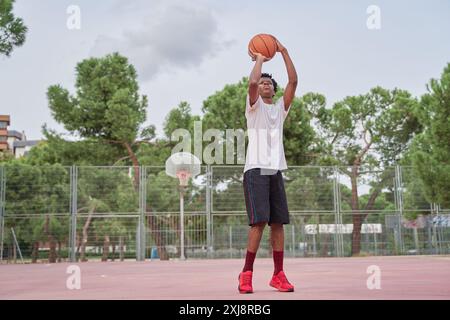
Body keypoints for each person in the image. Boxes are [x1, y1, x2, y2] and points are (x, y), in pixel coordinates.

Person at [238, 37, 298, 294]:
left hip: (274, 171)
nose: (263, 84)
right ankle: (246, 274)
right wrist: (260, 58)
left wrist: (283, 50)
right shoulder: (254, 108)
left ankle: (278, 275)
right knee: (258, 223)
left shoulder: (280, 109)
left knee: (278, 224)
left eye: (268, 83)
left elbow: (294, 81)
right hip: (255, 171)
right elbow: (251, 81)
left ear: (273, 90)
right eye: (262, 82)